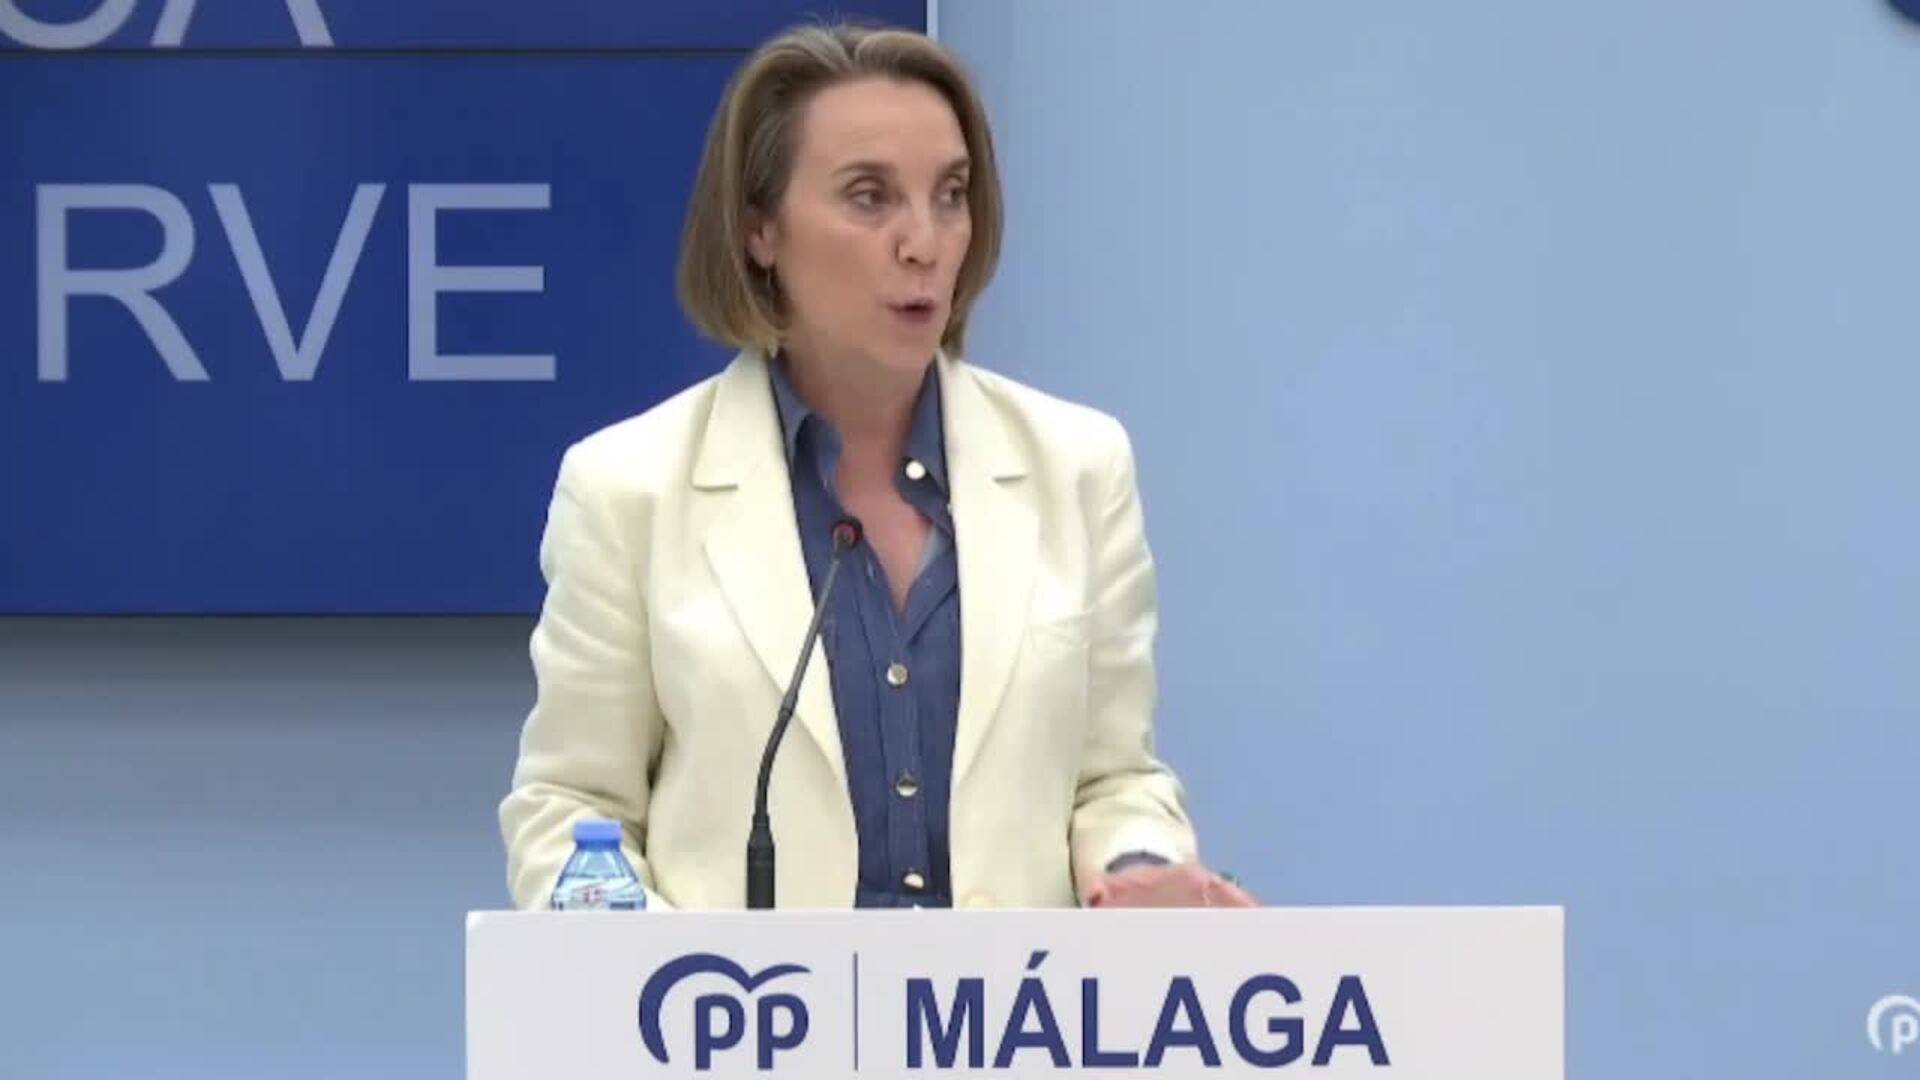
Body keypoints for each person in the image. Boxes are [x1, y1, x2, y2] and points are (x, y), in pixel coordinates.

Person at [499, 22, 1254, 912]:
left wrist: (1134, 872)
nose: (924, 242)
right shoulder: (628, 489)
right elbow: (571, 810)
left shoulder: (1079, 467)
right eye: (870, 197)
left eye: (951, 195)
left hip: (1015, 1003)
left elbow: (1114, 779)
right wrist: (674, 974)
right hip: (741, 1004)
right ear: (760, 229)